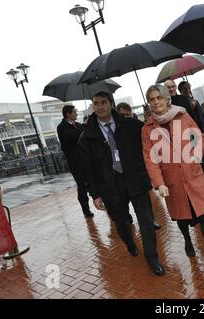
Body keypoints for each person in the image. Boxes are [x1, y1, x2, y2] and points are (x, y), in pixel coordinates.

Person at [142, 84, 204, 277]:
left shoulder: (183, 116)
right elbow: (150, 159)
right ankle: (187, 240)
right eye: (152, 99)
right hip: (172, 182)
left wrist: (195, 156)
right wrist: (159, 183)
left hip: (193, 176)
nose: (156, 102)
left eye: (159, 98)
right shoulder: (147, 129)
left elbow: (201, 138)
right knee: (181, 217)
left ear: (167, 99)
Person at [78, 91, 165, 276]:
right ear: (93, 106)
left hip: (135, 180)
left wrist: (154, 114)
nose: (100, 106)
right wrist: (94, 194)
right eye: (96, 103)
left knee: (147, 221)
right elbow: (87, 169)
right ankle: (130, 244)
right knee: (123, 224)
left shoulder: (130, 125)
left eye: (103, 102)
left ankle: (152, 257)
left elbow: (150, 134)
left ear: (111, 104)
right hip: (110, 186)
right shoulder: (87, 137)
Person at [165, 80, 204, 204]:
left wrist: (194, 107)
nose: (170, 89)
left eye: (172, 86)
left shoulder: (186, 100)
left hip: (194, 139)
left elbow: (197, 119)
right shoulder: (164, 104)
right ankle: (197, 198)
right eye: (168, 87)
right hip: (177, 145)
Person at [117, 102, 162, 230]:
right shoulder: (114, 130)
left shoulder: (138, 125)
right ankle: (127, 220)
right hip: (123, 174)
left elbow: (152, 136)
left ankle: (150, 220)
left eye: (128, 114)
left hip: (139, 171)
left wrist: (149, 120)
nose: (126, 117)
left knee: (144, 201)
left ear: (132, 113)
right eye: (122, 115)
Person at [57, 105, 93, 218]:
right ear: (68, 114)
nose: (76, 114)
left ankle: (103, 202)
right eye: (74, 112)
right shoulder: (62, 127)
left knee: (93, 182)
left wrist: (87, 124)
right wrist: (84, 125)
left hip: (86, 160)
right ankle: (86, 210)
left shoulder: (78, 125)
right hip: (75, 163)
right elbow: (73, 137)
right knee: (81, 186)